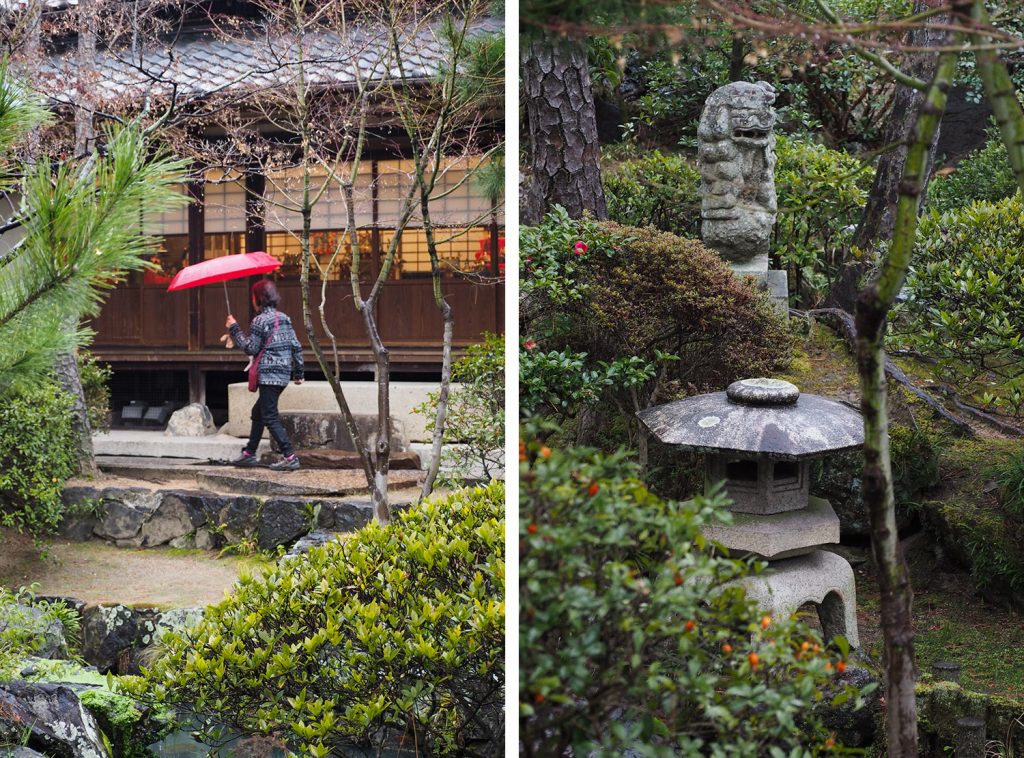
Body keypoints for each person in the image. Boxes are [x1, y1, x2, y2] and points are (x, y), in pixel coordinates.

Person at [226, 279, 304, 471]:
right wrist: (298, 373)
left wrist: (234, 328)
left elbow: (250, 348)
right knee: (258, 412)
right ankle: (249, 453)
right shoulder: (284, 318)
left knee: (269, 416)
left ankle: (290, 456)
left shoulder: (259, 321)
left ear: (257, 299)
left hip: (269, 375)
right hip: (283, 374)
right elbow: (296, 346)